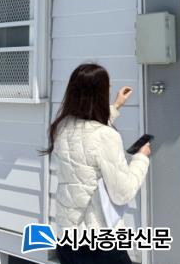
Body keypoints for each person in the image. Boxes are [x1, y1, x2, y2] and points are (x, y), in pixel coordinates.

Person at [41, 63, 151, 264]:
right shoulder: (106, 136)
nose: (110, 89)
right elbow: (123, 193)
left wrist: (116, 106)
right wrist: (141, 158)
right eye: (107, 87)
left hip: (67, 239)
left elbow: (87, 136)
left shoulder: (61, 127)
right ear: (98, 94)